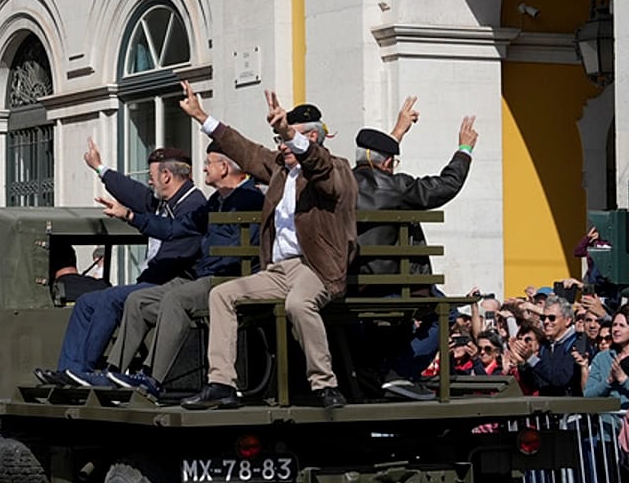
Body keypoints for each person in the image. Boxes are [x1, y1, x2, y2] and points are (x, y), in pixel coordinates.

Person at [177, 84, 357, 410]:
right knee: (222, 295)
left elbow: (320, 168)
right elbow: (243, 149)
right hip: (279, 269)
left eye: (289, 139)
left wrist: (289, 132)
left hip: (315, 267)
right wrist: (202, 116)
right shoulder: (280, 169)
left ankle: (325, 384)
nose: (283, 146)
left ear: (311, 138)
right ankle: (221, 384)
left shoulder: (336, 168)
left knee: (298, 305)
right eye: (281, 140)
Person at [36, 143, 205, 388]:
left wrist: (130, 216)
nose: (149, 182)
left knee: (111, 298)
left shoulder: (193, 205)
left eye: (152, 177)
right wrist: (99, 168)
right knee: (86, 303)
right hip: (154, 280)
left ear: (166, 176)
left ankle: (86, 371)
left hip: (171, 282)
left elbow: (175, 249)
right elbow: (132, 192)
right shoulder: (163, 201)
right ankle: (68, 371)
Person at [102, 142, 265, 396]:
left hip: (228, 280)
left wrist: (205, 262)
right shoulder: (215, 201)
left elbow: (241, 251)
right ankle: (113, 372)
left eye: (209, 162)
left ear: (224, 167)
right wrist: (130, 216)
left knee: (175, 300)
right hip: (205, 276)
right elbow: (173, 229)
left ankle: (152, 378)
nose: (203, 168)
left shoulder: (251, 199)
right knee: (138, 300)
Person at [351, 114, 477, 394]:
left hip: (351, 286)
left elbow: (377, 163)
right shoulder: (397, 187)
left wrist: (397, 133)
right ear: (387, 163)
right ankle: (400, 373)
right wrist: (464, 150)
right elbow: (445, 186)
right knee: (447, 312)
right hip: (393, 288)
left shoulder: (340, 185)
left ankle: (368, 373)